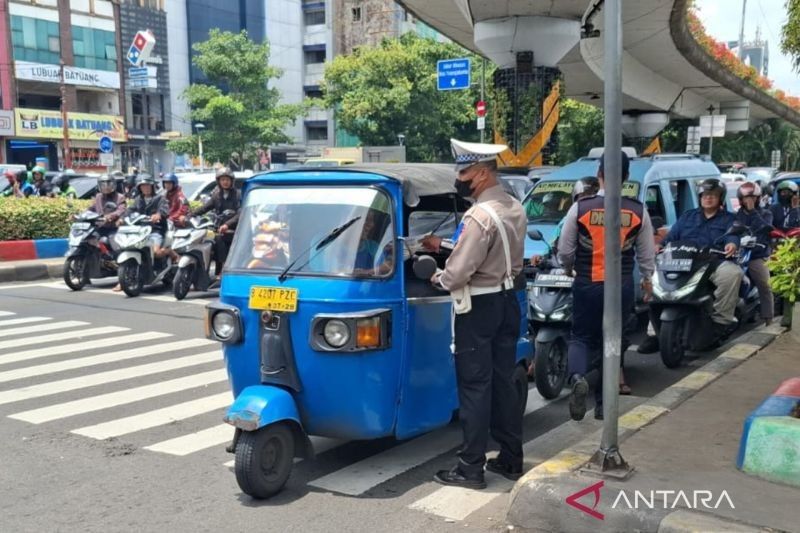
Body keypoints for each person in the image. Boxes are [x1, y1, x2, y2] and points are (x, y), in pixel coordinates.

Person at [429, 138, 527, 489]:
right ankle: (511, 458)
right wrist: (443, 247)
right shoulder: (514, 206)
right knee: (503, 382)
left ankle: (471, 468)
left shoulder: (478, 216)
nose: (460, 178)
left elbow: (457, 274)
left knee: (474, 386)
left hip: (478, 307)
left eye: (464, 172)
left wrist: (437, 275)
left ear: (482, 174)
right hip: (507, 301)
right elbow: (493, 254)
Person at [557, 151, 655, 422]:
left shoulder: (581, 207)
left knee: (581, 337)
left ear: (599, 174)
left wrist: (567, 268)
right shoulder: (638, 210)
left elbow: (565, 249)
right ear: (626, 177)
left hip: (587, 282)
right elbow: (647, 255)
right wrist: (647, 280)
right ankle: (603, 406)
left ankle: (577, 377)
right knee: (610, 342)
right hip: (621, 286)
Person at [641, 179, 742, 351]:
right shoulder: (688, 216)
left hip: (712, 261)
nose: (708, 198)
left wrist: (732, 244)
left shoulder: (729, 219)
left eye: (713, 195)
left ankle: (721, 322)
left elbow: (733, 236)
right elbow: (672, 236)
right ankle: (653, 333)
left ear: (720, 198)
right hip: (683, 260)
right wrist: (660, 245)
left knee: (733, 274)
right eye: (705, 195)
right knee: (656, 279)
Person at [735, 182, 774, 326]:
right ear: (741, 199)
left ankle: (768, 318)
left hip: (757, 254)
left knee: (765, 285)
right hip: (738, 254)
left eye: (752, 197)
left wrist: (752, 211)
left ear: (758, 198)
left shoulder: (766, 213)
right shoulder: (737, 215)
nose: (749, 200)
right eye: (746, 198)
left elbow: (765, 228)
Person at [193, 167, 241, 275]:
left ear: (231, 181)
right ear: (218, 181)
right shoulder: (216, 195)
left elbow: (240, 213)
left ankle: (223, 270)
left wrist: (227, 225)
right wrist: (190, 214)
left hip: (234, 229)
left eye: (227, 180)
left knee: (220, 240)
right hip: (218, 227)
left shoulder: (237, 195)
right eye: (222, 179)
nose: (225, 182)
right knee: (208, 240)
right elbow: (205, 207)